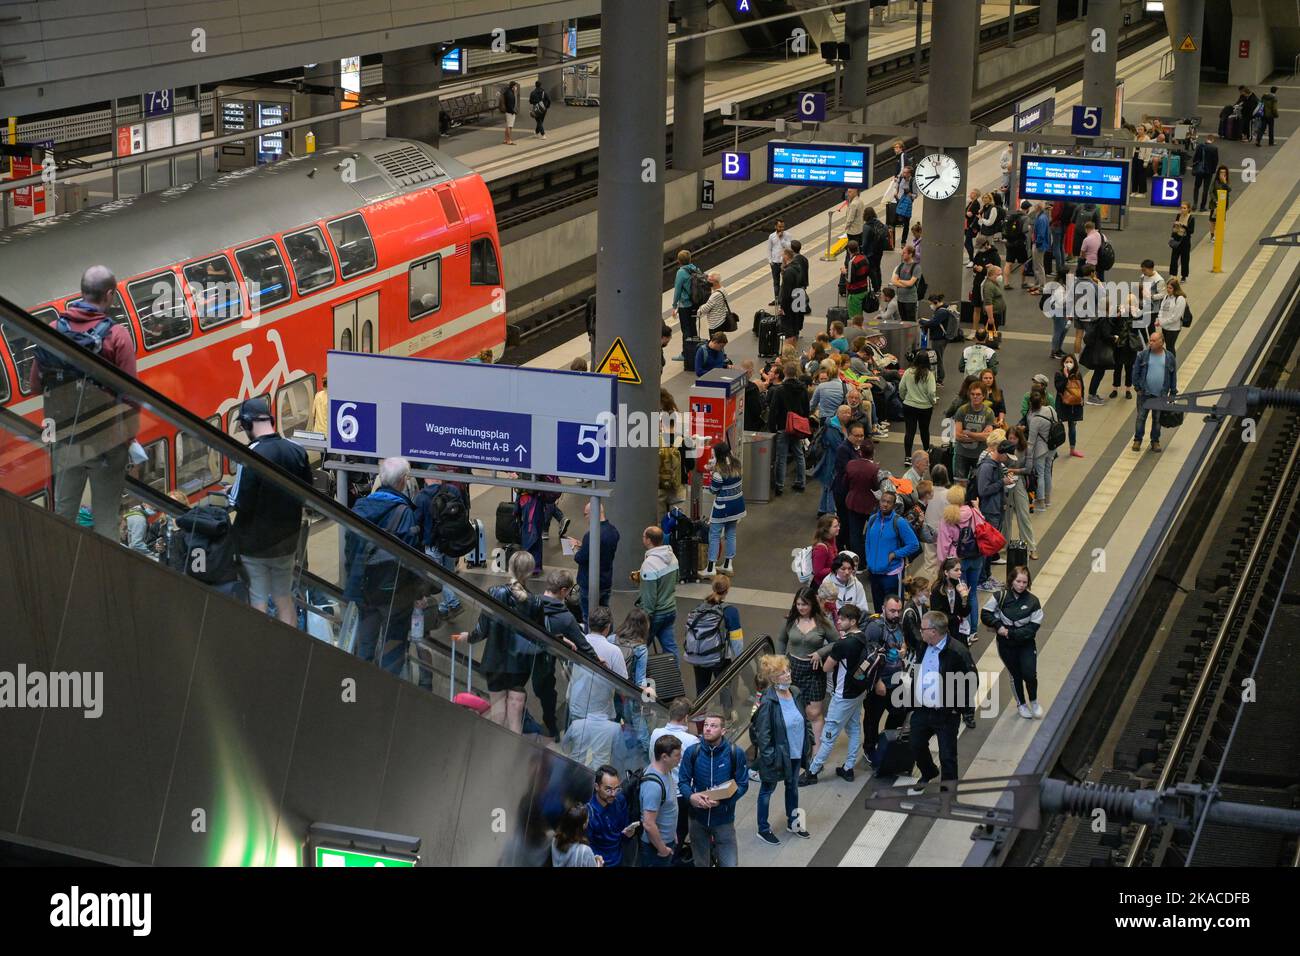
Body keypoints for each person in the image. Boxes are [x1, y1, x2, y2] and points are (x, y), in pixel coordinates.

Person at [34, 265, 139, 541]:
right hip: (107, 441)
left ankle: (58, 571)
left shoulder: (53, 330)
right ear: (109, 295)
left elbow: (36, 384)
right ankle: (106, 582)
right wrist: (128, 439)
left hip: (65, 438)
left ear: (81, 292)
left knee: (64, 514)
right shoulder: (117, 336)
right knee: (106, 520)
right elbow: (131, 395)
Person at [228, 396, 312, 625]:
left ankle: (259, 649)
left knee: (258, 599)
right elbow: (308, 494)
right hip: (287, 541)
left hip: (254, 545)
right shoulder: (297, 450)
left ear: (246, 425)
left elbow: (238, 502)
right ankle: (289, 644)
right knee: (284, 597)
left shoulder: (250, 455)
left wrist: (230, 492)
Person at [344, 457, 421, 676]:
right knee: (393, 644)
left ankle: (359, 688)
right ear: (403, 481)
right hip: (393, 592)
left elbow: (350, 550)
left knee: (365, 642)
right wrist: (417, 591)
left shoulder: (360, 506)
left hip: (364, 589)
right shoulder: (404, 512)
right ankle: (389, 692)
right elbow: (411, 557)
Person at [453, 549, 538, 733]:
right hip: (520, 665)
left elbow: (482, 629)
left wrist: (469, 638)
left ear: (509, 568)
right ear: (530, 572)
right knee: (515, 714)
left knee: (498, 713)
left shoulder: (494, 593)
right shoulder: (535, 602)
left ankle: (495, 751)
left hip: (495, 662)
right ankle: (512, 753)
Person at [906, 610, 978, 794]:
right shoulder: (924, 645)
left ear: (933, 631)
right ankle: (929, 771)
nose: (920, 632)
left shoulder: (957, 651)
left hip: (946, 713)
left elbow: (971, 681)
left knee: (947, 756)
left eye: (923, 629)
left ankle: (948, 793)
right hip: (923, 709)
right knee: (915, 744)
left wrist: (958, 708)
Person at [800, 604, 873, 784]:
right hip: (858, 691)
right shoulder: (862, 637)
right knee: (855, 728)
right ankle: (848, 768)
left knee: (829, 734)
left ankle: (813, 771)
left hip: (843, 695)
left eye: (842, 619)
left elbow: (826, 667)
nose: (838, 621)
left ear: (853, 621)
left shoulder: (843, 643)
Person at [752, 654, 815, 843]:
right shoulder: (768, 702)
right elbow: (764, 735)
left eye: (787, 670)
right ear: (773, 678)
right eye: (782, 673)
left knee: (792, 788)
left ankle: (793, 822)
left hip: (796, 752)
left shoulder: (795, 692)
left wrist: (809, 741)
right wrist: (770, 757)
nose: (788, 674)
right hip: (777, 756)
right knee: (767, 791)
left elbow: (804, 719)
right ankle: (763, 828)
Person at [679, 714, 749, 867]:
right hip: (697, 819)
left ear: (723, 731)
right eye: (706, 725)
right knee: (701, 863)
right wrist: (692, 797)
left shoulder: (735, 753)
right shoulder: (692, 752)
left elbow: (743, 784)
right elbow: (683, 781)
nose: (708, 729)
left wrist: (723, 803)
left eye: (713, 726)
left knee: (730, 863)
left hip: (723, 819)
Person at [981, 566, 1044, 719]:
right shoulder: (1000, 596)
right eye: (1018, 581)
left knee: (1030, 673)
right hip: (1006, 645)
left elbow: (1033, 627)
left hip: (1026, 643)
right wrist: (998, 625)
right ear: (1011, 581)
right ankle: (1021, 703)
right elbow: (985, 613)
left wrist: (1010, 633)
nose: (1021, 585)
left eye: (1024, 582)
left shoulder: (1033, 601)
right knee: (1015, 674)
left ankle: (1034, 701)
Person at [777, 585, 836, 744]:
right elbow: (782, 640)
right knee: (792, 709)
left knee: (814, 713)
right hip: (792, 669)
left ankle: (816, 752)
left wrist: (820, 653)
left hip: (814, 671)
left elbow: (837, 643)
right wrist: (780, 662)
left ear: (812, 604)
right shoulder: (791, 620)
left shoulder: (822, 623)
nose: (801, 608)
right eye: (798, 604)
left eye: (805, 604)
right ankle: (797, 744)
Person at [685, 574, 744, 701]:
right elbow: (737, 641)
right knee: (725, 689)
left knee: (702, 690)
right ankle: (728, 717)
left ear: (712, 588)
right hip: (720, 658)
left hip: (698, 655)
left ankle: (700, 716)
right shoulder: (730, 611)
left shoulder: (699, 608)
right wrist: (740, 659)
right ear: (727, 590)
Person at [864, 489, 920, 612]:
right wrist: (869, 559)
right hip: (874, 573)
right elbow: (867, 541)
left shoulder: (899, 522)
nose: (885, 504)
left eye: (889, 502)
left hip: (892, 574)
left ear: (894, 506)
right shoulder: (873, 519)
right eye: (883, 501)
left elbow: (914, 544)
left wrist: (895, 554)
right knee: (878, 611)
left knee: (894, 610)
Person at [564, 500, 619, 623]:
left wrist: (574, 548)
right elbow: (601, 550)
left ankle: (591, 641)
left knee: (589, 618)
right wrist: (584, 545)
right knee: (605, 617)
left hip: (590, 584)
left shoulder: (591, 535)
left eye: (585, 514)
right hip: (606, 581)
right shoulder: (613, 531)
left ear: (592, 513)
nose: (586, 518)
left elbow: (580, 558)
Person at [972, 437, 1013, 589]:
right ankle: (981, 579)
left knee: (991, 547)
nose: (1008, 460)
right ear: (1002, 453)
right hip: (988, 512)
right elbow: (983, 490)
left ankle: (986, 576)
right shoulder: (987, 467)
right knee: (986, 547)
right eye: (1007, 456)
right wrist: (1002, 482)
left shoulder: (996, 465)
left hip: (996, 510)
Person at [637, 525, 680, 660]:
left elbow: (650, 598)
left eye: (644, 536)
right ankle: (676, 677)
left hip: (656, 614)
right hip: (670, 609)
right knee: (670, 648)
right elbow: (675, 579)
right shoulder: (672, 557)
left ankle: (633, 678)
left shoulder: (649, 564)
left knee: (640, 648)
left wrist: (645, 619)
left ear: (649, 540)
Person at [639, 735, 684, 865]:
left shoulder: (667, 771)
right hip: (656, 849)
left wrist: (672, 832)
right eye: (677, 755)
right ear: (664, 757)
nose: (680, 757)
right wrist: (662, 849)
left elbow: (666, 808)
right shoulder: (653, 785)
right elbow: (648, 823)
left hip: (666, 840)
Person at [767, 361, 809, 497]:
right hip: (797, 426)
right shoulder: (802, 388)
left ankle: (779, 485)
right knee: (799, 454)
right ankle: (800, 481)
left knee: (781, 456)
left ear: (784, 373)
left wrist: (773, 427)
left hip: (783, 426)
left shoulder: (780, 390)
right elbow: (806, 408)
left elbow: (773, 410)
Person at [1132, 328, 1178, 454]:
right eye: (1149, 340)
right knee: (1141, 417)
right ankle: (1137, 440)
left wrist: (1173, 393)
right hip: (1144, 394)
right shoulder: (1143, 355)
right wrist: (1137, 387)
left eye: (1153, 341)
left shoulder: (1169, 357)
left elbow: (1173, 375)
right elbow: (1135, 372)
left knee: (1157, 419)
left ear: (1161, 342)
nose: (1150, 343)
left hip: (1161, 395)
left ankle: (1155, 441)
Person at [705, 441, 745, 575]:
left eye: (713, 455)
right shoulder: (737, 465)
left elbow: (713, 490)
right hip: (737, 506)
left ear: (719, 456)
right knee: (731, 534)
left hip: (722, 508)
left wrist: (711, 473)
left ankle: (710, 568)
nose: (712, 457)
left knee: (714, 535)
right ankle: (728, 565)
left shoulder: (718, 472)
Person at [585, 766, 635, 867]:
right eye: (608, 789)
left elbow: (623, 831)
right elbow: (586, 845)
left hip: (619, 858)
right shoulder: (589, 813)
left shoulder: (619, 801)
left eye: (616, 789)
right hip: (600, 862)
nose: (613, 794)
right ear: (597, 786)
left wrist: (629, 834)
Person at [832, 421, 868, 550]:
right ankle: (839, 548)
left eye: (861, 435)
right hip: (843, 492)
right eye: (856, 435)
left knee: (848, 523)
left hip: (851, 491)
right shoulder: (843, 449)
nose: (859, 438)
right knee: (845, 522)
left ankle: (845, 546)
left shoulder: (858, 448)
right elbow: (848, 471)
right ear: (848, 434)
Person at [952, 381, 996, 480]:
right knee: (960, 485)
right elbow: (958, 435)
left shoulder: (989, 413)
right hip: (962, 454)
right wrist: (979, 436)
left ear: (984, 395)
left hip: (980, 456)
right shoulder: (962, 410)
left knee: (979, 485)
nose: (975, 397)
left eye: (978, 394)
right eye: (972, 394)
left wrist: (968, 433)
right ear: (969, 395)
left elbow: (987, 436)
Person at [843, 441, 880, 560]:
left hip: (853, 502)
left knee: (855, 534)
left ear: (860, 452)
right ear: (873, 453)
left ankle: (857, 562)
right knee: (873, 532)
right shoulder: (874, 468)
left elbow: (845, 483)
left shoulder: (850, 464)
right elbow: (875, 487)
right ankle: (871, 557)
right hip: (869, 505)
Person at [1026, 390, 1059, 514]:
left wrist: (1028, 457)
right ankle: (1048, 499)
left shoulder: (1034, 419)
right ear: (1042, 401)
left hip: (1040, 449)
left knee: (1039, 474)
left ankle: (1040, 502)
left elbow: (1031, 441)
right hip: (1052, 446)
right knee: (1047, 472)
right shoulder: (1050, 409)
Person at [817, 551, 871, 619]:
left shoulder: (857, 584)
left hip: (852, 621)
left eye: (849, 568)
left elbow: (863, 608)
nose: (847, 572)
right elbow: (823, 608)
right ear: (836, 569)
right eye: (843, 569)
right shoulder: (827, 582)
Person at [931, 557, 972, 646]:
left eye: (960, 569)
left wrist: (964, 600)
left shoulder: (960, 587)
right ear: (946, 572)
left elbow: (965, 613)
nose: (960, 572)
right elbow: (937, 613)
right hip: (944, 631)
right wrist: (955, 618)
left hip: (959, 631)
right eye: (956, 570)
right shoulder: (938, 589)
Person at [672, 249, 702, 360]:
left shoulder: (681, 272)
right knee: (693, 327)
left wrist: (674, 305)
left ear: (678, 261)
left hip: (685, 305)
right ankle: (696, 351)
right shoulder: (695, 269)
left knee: (686, 330)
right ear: (690, 259)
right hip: (695, 303)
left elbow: (678, 290)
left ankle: (686, 354)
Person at [1055, 354, 1086, 458]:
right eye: (1066, 361)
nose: (1069, 364)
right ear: (1063, 363)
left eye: (1071, 362)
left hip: (1074, 405)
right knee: (1056, 426)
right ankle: (1053, 449)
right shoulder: (1059, 374)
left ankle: (1072, 449)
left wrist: (1082, 399)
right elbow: (1059, 388)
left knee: (1072, 427)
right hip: (1062, 404)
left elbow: (1082, 388)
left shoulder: (1078, 374)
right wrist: (1066, 376)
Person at [778, 248, 808, 348]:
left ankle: (788, 354)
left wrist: (782, 307)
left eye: (782, 255)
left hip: (790, 304)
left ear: (786, 256)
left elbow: (786, 292)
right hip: (798, 299)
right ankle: (793, 351)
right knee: (795, 329)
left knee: (789, 331)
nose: (782, 257)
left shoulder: (789, 272)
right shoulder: (798, 267)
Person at [922, 292, 954, 386]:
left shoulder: (941, 312)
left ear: (935, 302)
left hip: (939, 338)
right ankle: (938, 378)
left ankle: (940, 378)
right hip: (942, 337)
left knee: (938, 358)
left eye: (931, 303)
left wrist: (922, 321)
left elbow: (934, 323)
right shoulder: (945, 308)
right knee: (938, 357)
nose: (931, 306)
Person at [841, 239, 873, 322]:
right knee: (860, 315)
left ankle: (856, 333)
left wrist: (845, 272)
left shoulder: (852, 262)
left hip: (855, 293)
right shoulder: (864, 258)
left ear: (848, 250)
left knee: (854, 318)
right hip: (864, 290)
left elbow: (850, 279)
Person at [1155, 277, 1187, 356]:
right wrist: (1159, 319)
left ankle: (1172, 364)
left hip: (1173, 328)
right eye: (1167, 287)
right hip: (1165, 327)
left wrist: (1162, 322)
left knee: (1170, 347)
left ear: (1175, 289)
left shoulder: (1180, 299)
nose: (1168, 290)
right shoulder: (1166, 297)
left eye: (1170, 288)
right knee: (1167, 346)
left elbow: (1175, 317)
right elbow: (1161, 309)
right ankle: (1169, 361)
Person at [891, 243, 922, 324]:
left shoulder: (916, 267)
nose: (902, 254)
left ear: (910, 254)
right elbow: (893, 281)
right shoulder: (901, 265)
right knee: (903, 321)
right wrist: (903, 282)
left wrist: (899, 280)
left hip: (910, 300)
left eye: (904, 253)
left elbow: (910, 283)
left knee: (910, 322)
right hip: (900, 299)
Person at [695, 272, 730, 337]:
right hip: (721, 319)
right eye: (708, 279)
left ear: (716, 282)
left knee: (715, 344)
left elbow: (704, 310)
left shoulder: (715, 295)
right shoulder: (722, 289)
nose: (708, 281)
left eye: (710, 280)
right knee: (720, 341)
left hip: (715, 324)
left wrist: (700, 306)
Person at [862, 207, 888, 293]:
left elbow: (865, 242)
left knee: (872, 270)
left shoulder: (866, 226)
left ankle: (876, 288)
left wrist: (863, 252)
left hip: (870, 252)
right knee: (877, 268)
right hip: (879, 251)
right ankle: (879, 287)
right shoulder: (879, 223)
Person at [767, 218, 792, 303]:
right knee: (776, 282)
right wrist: (770, 261)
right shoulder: (771, 236)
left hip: (784, 263)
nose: (781, 228)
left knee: (785, 282)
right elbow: (769, 249)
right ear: (775, 226)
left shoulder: (787, 235)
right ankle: (777, 299)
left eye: (783, 227)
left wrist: (782, 239)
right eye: (779, 227)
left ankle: (784, 298)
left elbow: (789, 248)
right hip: (775, 263)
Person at [1168, 203, 1195, 284]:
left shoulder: (1191, 218)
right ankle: (1173, 275)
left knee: (1185, 259)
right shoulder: (1178, 215)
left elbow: (1191, 231)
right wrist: (1173, 234)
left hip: (1185, 241)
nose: (1182, 209)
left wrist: (1183, 226)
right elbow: (1174, 227)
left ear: (1188, 209)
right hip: (1177, 239)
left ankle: (1184, 276)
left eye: (1184, 208)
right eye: (1182, 208)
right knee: (1174, 258)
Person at [1192, 134, 1219, 211]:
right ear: (1212, 140)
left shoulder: (1200, 146)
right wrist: (1213, 170)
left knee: (1196, 187)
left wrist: (1195, 167)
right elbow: (1215, 161)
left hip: (1199, 170)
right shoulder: (1214, 148)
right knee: (1205, 189)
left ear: (1206, 139)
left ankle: (1195, 204)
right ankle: (1202, 206)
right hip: (1209, 172)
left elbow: (1195, 158)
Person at [891, 165, 916, 248]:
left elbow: (915, 195)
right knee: (893, 223)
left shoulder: (913, 181)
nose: (903, 174)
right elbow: (896, 185)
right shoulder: (901, 178)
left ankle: (903, 242)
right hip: (898, 201)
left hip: (907, 204)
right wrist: (895, 193)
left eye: (905, 173)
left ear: (909, 174)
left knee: (906, 224)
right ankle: (891, 241)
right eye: (903, 172)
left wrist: (909, 194)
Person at [842, 187, 866, 256]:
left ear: (855, 192)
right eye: (848, 192)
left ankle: (849, 263)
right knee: (858, 249)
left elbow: (850, 219)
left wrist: (845, 228)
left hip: (853, 232)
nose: (848, 194)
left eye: (850, 192)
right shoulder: (860, 201)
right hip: (859, 229)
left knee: (851, 250)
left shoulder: (853, 204)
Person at [501, 80, 519, 145]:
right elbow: (510, 105)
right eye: (515, 86)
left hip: (507, 112)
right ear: (513, 86)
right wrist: (513, 112)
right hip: (510, 112)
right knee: (510, 127)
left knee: (507, 126)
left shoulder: (507, 91)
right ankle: (509, 140)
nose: (516, 87)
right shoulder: (510, 94)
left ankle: (506, 140)